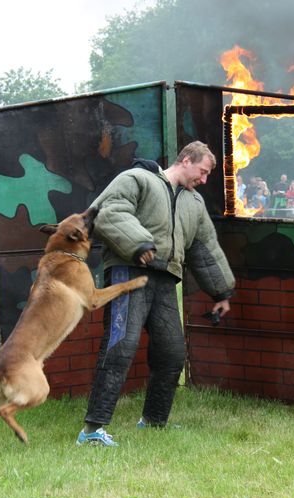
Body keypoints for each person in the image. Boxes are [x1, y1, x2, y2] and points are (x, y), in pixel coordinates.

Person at [76, 141, 235, 447]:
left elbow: (204, 248)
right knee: (120, 346)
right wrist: (139, 244)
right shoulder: (137, 178)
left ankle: (153, 421)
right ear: (186, 160)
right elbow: (107, 211)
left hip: (164, 280)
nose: (203, 180)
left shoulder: (195, 203)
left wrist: (222, 291)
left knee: (172, 352)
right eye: (202, 172)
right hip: (128, 273)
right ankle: (92, 431)